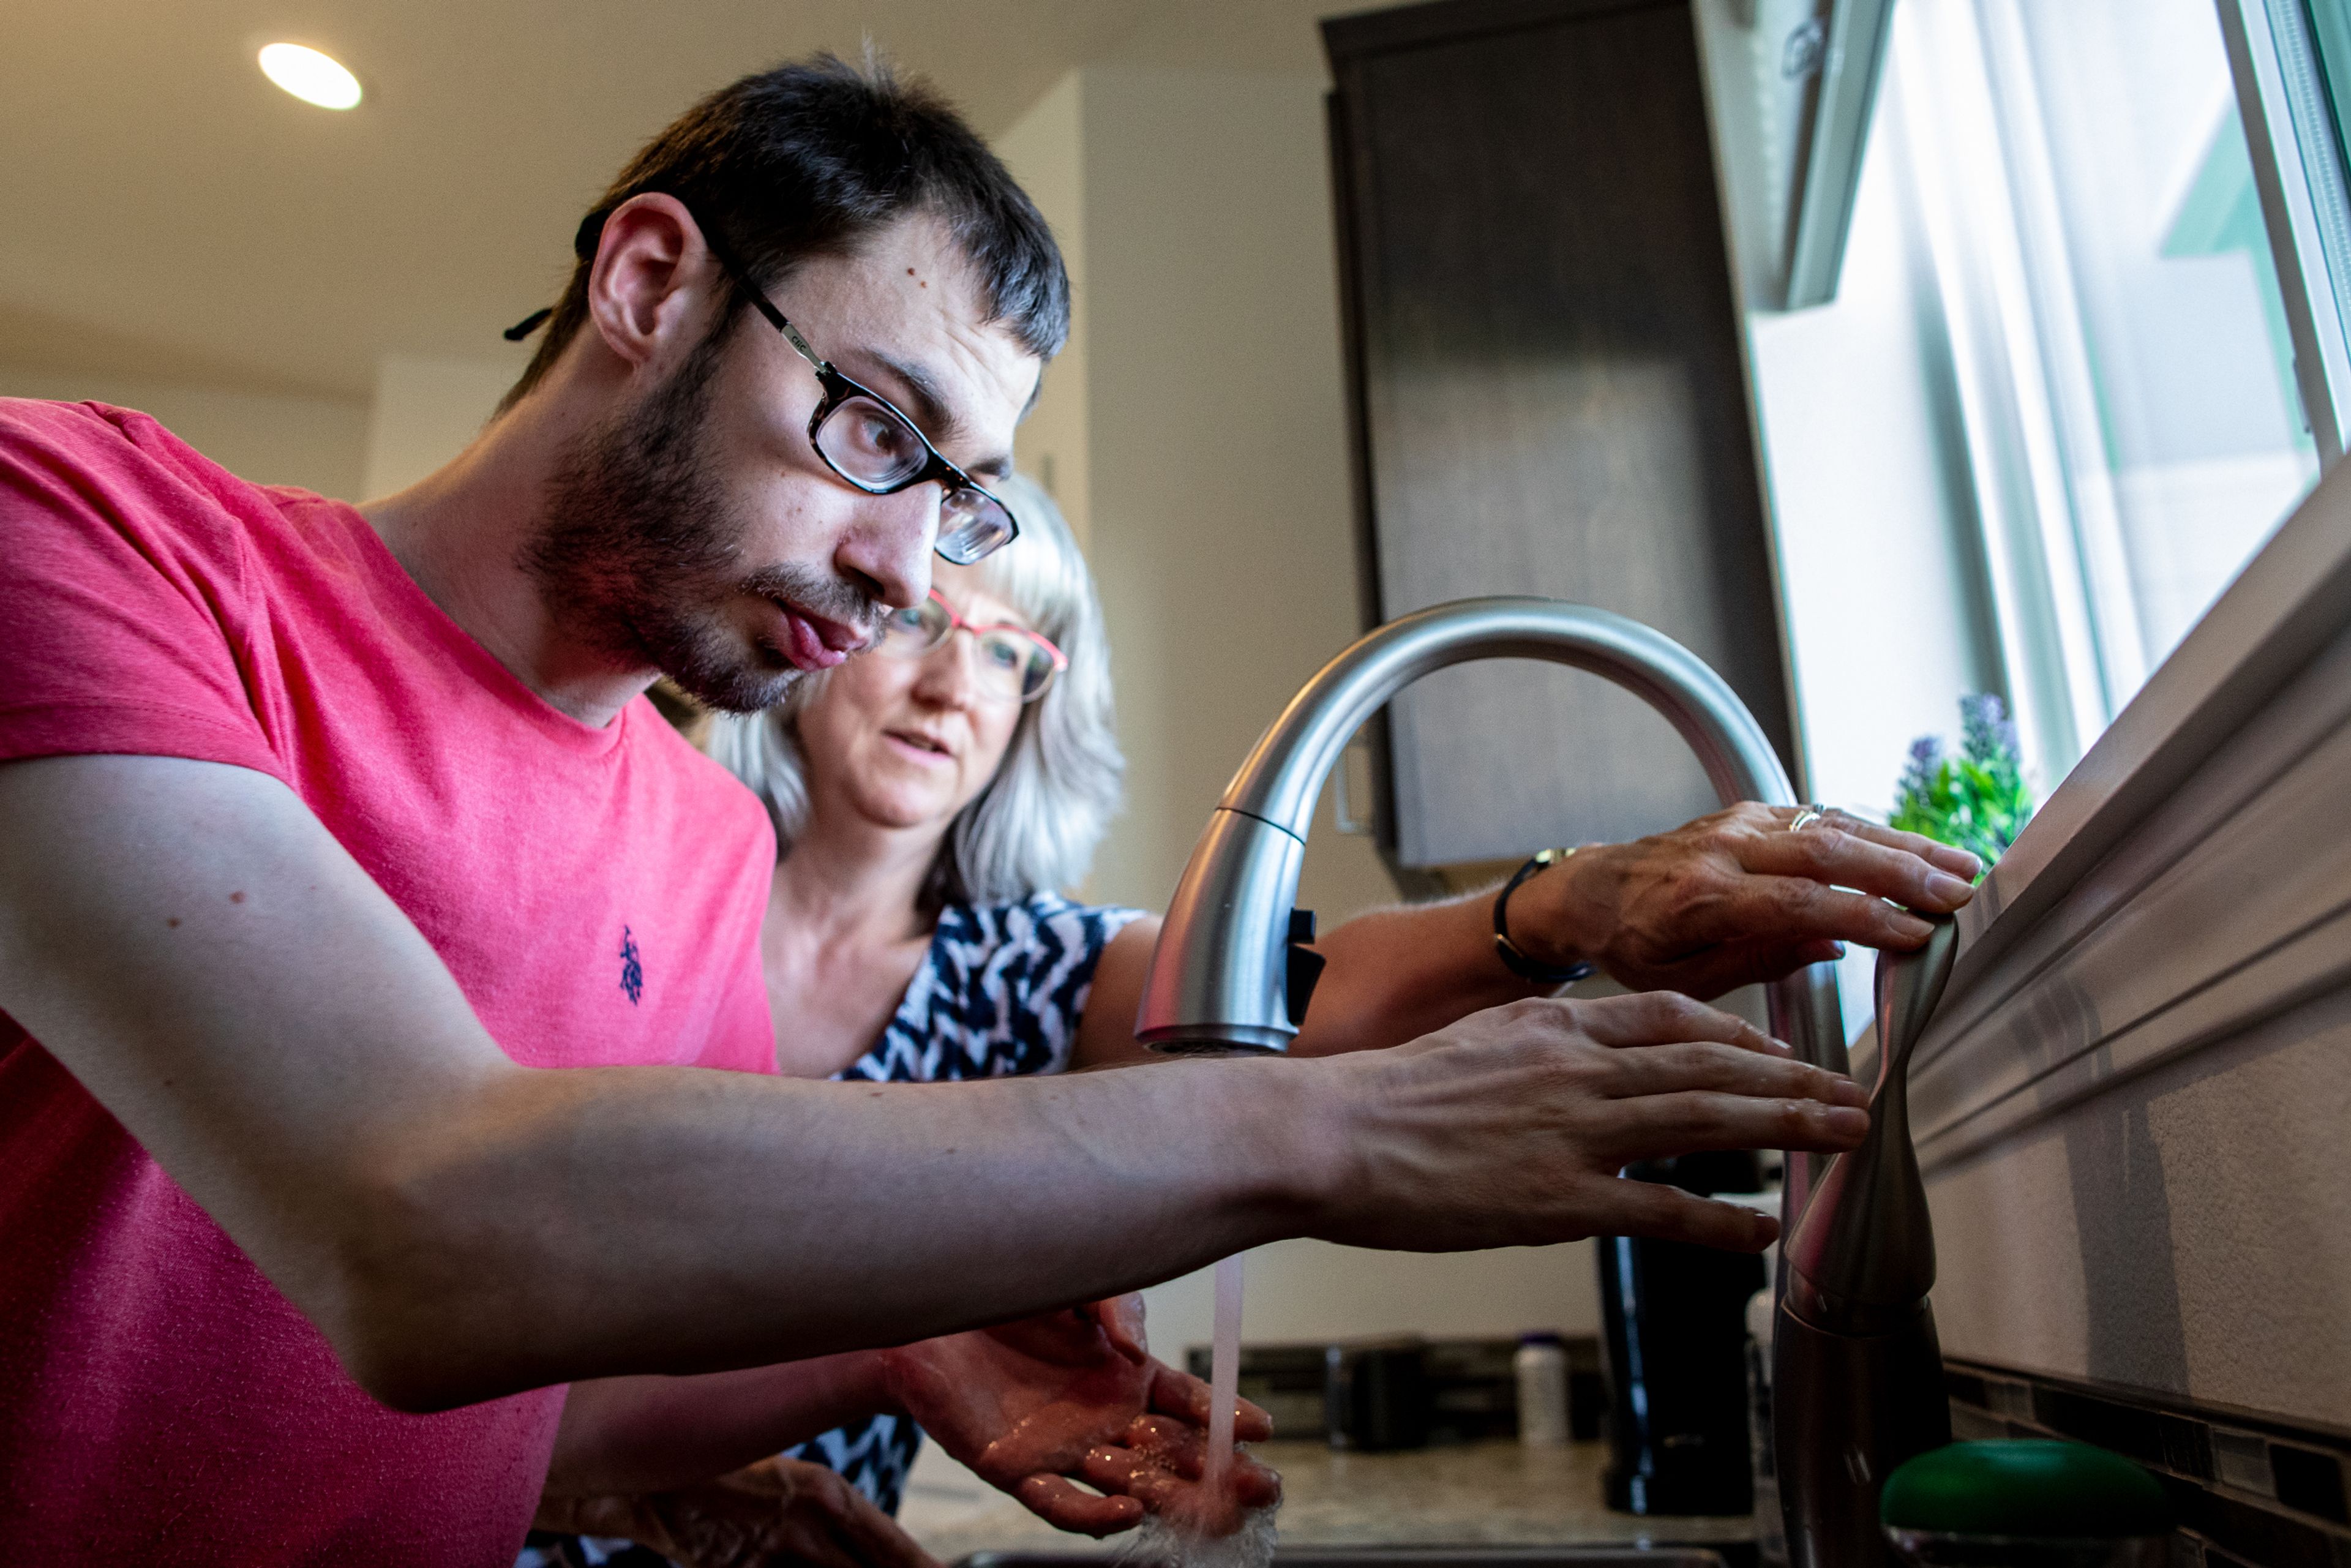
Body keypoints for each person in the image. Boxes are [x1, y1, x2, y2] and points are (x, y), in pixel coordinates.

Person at [0, 55, 1971, 1566]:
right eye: (880, 432)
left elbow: (533, 1405)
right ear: (650, 281)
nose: (903, 575)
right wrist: (1307, 1132)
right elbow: (414, 1220)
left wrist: (844, 1372)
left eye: (963, 499)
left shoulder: (693, 847)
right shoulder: (93, 531)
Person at [524, 476, 1984, 1562]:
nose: (952, 684)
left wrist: (1559, 910)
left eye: (1010, 654)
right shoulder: (624, 897)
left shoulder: (1010, 975)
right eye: (918, 618)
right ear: (825, 631)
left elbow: (1280, 995)